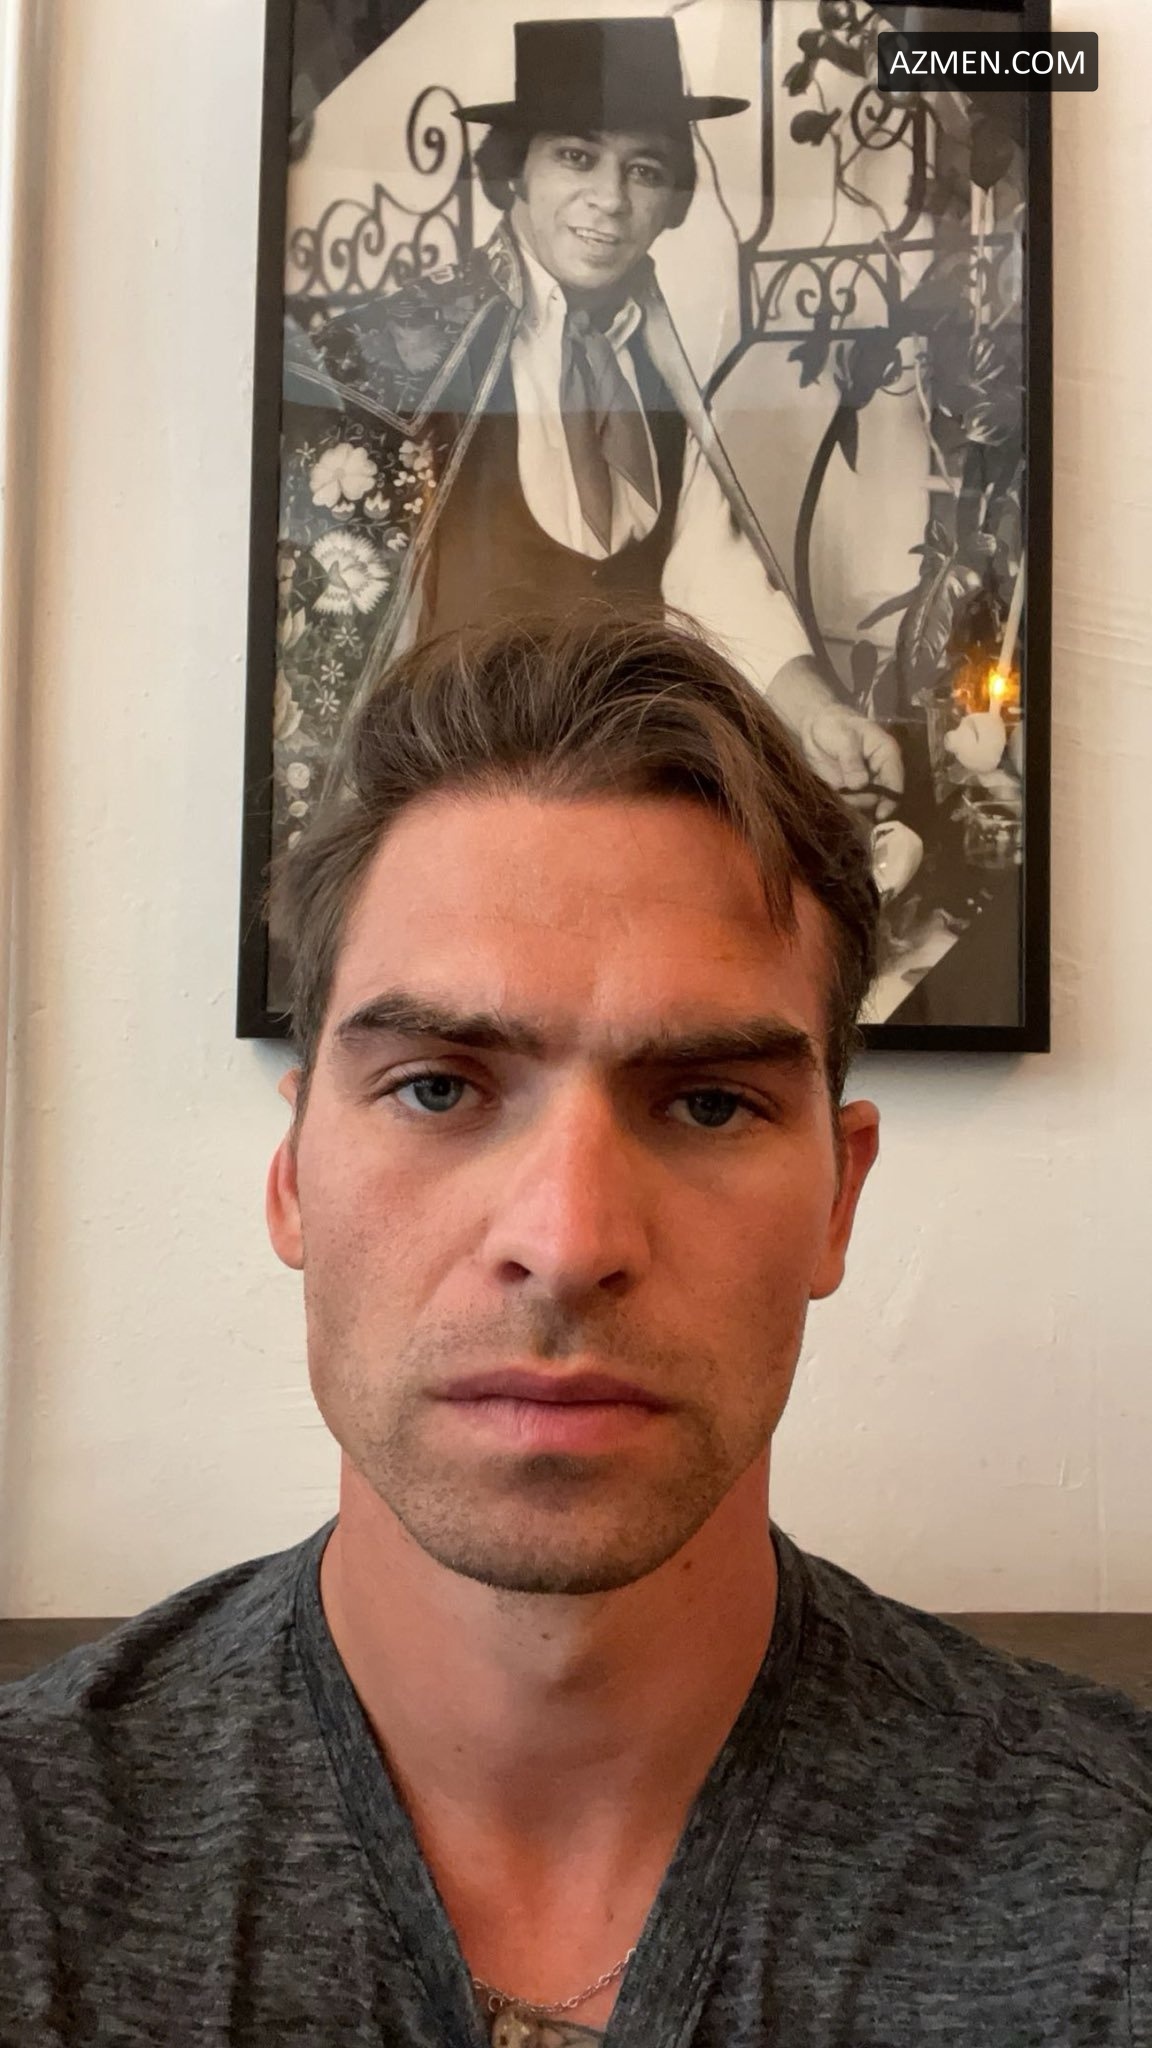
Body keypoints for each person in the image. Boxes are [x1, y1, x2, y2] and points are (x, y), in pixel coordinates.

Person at [1, 611, 1149, 2046]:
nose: (567, 1239)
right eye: (436, 1087)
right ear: (293, 1177)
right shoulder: (34, 1861)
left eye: (709, 1102)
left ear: (838, 1201)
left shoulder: (1112, 1887)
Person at [274, 15, 903, 871]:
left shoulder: (657, 367)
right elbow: (358, 650)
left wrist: (818, 715)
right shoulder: (393, 359)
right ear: (516, 172)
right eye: (576, 156)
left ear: (672, 199)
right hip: (461, 828)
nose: (610, 199)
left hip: (633, 820)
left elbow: (711, 578)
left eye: (644, 169)